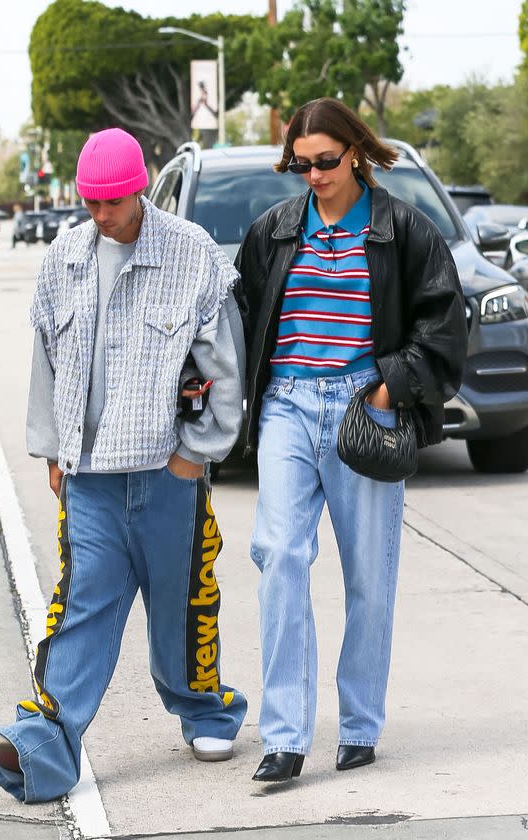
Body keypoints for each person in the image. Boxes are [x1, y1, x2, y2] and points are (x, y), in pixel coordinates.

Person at [0, 128, 248, 803]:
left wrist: (199, 453)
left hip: (167, 472)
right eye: (91, 203)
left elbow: (225, 364)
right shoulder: (65, 256)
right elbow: (47, 358)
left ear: (140, 188)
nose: (102, 216)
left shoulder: (191, 255)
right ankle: (43, 742)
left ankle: (207, 711)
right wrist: (50, 448)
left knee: (181, 606)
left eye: (113, 203)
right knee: (79, 608)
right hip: (91, 480)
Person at [234, 97, 468, 783]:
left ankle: (361, 723)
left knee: (369, 577)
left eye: (325, 161)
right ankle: (284, 736)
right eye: (300, 165)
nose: (313, 176)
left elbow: (446, 328)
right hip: (285, 405)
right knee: (278, 554)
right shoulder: (275, 231)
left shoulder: (405, 229)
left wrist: (390, 389)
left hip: (363, 406)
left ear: (357, 151)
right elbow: (243, 316)